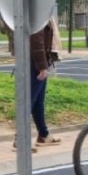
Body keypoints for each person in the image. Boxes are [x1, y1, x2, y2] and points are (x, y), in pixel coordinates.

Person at [16, 16, 59, 152]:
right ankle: (20, 139)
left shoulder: (42, 15)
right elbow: (36, 42)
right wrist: (41, 66)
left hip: (37, 61)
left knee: (38, 101)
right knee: (29, 101)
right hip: (34, 63)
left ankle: (43, 134)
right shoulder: (38, 16)